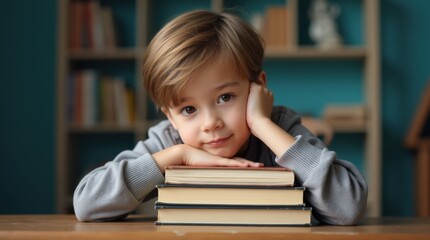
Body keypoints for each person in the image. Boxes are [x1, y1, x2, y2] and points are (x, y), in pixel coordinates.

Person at [73, 10, 367, 225]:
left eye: (225, 98)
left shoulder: (279, 127)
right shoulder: (169, 140)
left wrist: (263, 125)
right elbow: (86, 204)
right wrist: (178, 155)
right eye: (188, 110)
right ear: (171, 118)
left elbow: (349, 207)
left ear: (258, 88)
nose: (210, 122)